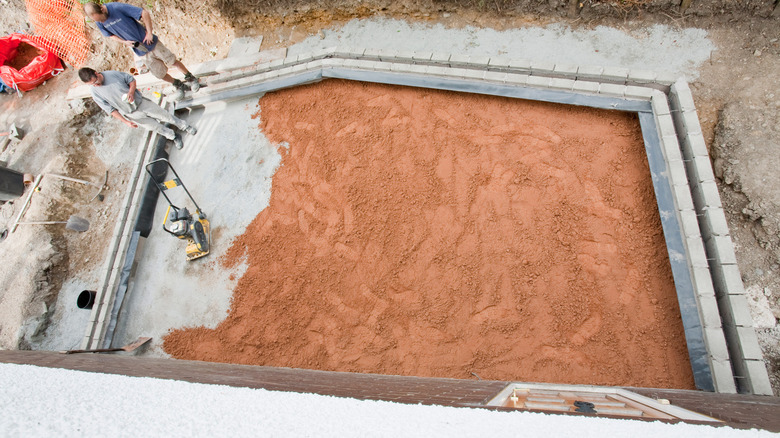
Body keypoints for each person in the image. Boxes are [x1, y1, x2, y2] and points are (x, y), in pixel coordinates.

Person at [83, 1, 199, 95]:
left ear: (102, 9)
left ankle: (191, 78)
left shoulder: (116, 7)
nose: (102, 22)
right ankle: (178, 84)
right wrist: (124, 42)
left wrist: (149, 32)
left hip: (150, 42)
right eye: (99, 21)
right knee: (159, 73)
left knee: (172, 61)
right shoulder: (99, 21)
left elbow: (144, 13)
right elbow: (110, 35)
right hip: (140, 50)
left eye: (102, 19)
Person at [79, 67, 196, 149]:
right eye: (92, 84)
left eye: (95, 82)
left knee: (165, 116)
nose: (96, 85)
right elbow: (110, 109)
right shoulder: (95, 92)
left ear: (96, 73)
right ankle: (174, 136)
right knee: (155, 127)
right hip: (131, 113)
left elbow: (131, 80)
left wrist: (131, 92)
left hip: (141, 103)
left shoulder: (111, 74)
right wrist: (126, 121)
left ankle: (185, 126)